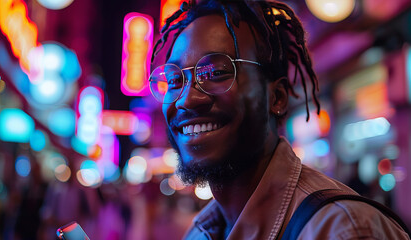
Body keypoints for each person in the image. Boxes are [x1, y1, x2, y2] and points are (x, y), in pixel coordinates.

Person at [149, 0, 410, 239]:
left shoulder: (343, 230)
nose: (186, 99)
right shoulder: (199, 234)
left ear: (277, 98)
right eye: (174, 81)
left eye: (216, 72)